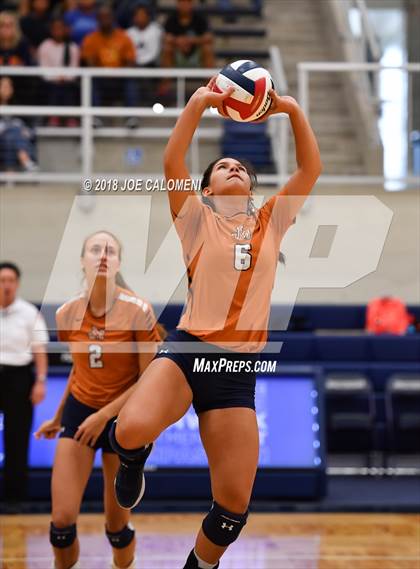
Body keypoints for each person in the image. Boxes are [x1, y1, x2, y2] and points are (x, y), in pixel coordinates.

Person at [108, 78, 322, 568]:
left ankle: (199, 566)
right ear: (207, 188)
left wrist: (290, 110)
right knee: (130, 429)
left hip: (236, 373)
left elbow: (311, 167)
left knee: (233, 507)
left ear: (250, 187)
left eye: (240, 168)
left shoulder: (272, 221)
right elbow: (171, 163)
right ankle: (133, 458)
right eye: (223, 166)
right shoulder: (196, 220)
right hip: (188, 352)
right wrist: (198, 104)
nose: (233, 169)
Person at [35, 230, 162, 569]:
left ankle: (124, 564)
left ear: (118, 262)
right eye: (95, 249)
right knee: (60, 526)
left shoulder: (139, 310)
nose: (102, 255)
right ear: (82, 260)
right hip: (80, 412)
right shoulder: (65, 314)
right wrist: (61, 415)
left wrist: (104, 415)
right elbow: (79, 370)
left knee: (116, 528)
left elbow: (148, 380)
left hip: (122, 419)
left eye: (110, 251)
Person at [0, 262, 49, 511]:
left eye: (10, 280)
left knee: (17, 437)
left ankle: (14, 498)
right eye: (2, 280)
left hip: (19, 378)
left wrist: (40, 381)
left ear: (17, 284)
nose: (6, 285)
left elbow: (39, 350)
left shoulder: (29, 313)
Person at [81, 5, 137, 120]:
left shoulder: (124, 37)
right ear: (97, 19)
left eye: (107, 17)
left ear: (113, 18)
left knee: (130, 82)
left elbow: (131, 61)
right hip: (100, 78)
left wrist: (118, 73)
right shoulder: (90, 39)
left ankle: (131, 117)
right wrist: (103, 73)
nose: (104, 20)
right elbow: (89, 63)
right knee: (91, 82)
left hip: (119, 78)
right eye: (101, 17)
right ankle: (95, 117)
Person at [37, 16, 80, 127]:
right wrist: (56, 78)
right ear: (51, 30)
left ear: (65, 29)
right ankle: (53, 117)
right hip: (50, 82)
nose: (58, 31)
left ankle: (71, 117)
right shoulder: (44, 46)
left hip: (68, 82)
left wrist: (64, 77)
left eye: (60, 28)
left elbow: (74, 69)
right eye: (55, 28)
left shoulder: (72, 47)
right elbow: (43, 69)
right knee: (54, 88)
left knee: (69, 88)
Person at [126, 4, 162, 117]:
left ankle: (153, 105)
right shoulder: (128, 33)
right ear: (133, 18)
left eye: (143, 15)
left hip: (153, 65)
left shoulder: (157, 30)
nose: (140, 18)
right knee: (130, 81)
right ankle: (132, 115)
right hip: (134, 66)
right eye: (137, 15)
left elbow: (160, 50)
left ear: (148, 16)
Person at [0, 76, 39, 172]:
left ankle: (10, 174)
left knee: (13, 136)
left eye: (9, 86)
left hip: (14, 140)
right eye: (4, 86)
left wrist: (25, 130)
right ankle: (25, 161)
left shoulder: (19, 104)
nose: (6, 89)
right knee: (13, 132)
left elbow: (28, 126)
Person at [162, 0, 214, 69]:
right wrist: (177, 41)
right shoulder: (171, 19)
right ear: (178, 4)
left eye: (187, 2)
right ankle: (166, 78)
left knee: (207, 49)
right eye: (182, 2)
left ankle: (209, 79)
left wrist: (191, 40)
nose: (184, 5)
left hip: (196, 52)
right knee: (167, 49)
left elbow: (209, 38)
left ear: (191, 4)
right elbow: (166, 37)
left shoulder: (200, 19)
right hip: (177, 52)